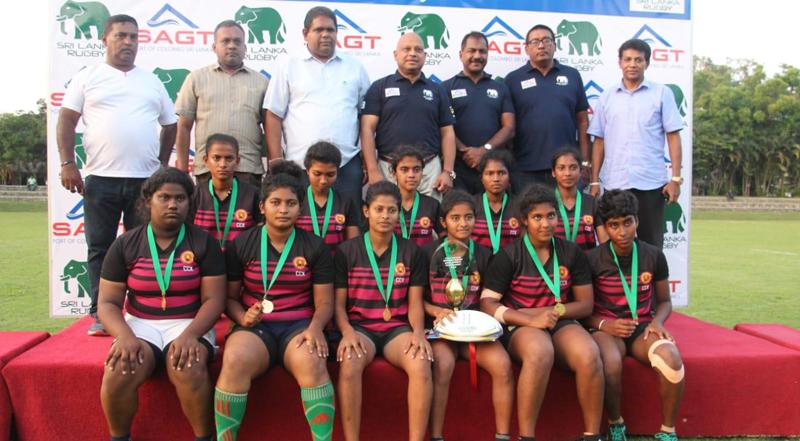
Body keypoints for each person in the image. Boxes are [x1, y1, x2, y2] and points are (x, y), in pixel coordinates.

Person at [57, 14, 178, 336]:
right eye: (121, 35)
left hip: (144, 182)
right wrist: (68, 163)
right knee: (100, 247)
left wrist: (161, 166)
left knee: (145, 248)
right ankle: (100, 313)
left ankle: (143, 311)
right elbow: (66, 120)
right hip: (100, 178)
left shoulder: (151, 80)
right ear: (105, 40)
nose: (128, 42)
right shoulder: (88, 77)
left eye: (133, 37)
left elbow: (171, 124)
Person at [97, 167, 225, 441]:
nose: (172, 204)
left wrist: (191, 335)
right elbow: (107, 302)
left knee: (188, 366)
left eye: (180, 198)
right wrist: (124, 336)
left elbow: (215, 300)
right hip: (140, 324)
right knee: (120, 368)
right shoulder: (126, 244)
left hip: (189, 322)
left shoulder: (204, 242)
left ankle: (205, 438)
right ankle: (119, 438)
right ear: (148, 201)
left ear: (189, 203)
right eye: (164, 197)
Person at [214, 165, 336, 441]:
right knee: (234, 359)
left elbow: (325, 301)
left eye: (291, 203)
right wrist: (242, 316)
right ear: (262, 206)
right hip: (255, 328)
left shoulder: (314, 246)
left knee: (313, 362)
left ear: (300, 208)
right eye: (276, 202)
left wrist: (316, 328)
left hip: (299, 326)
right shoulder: (241, 244)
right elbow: (230, 298)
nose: (283, 209)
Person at [480, 184, 604, 441]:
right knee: (540, 351)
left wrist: (553, 310)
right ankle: (527, 436)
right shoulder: (508, 255)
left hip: (559, 318)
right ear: (524, 220)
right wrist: (528, 318)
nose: (545, 223)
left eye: (551, 216)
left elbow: (585, 304)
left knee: (589, 353)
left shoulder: (571, 252)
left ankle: (593, 435)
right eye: (537, 217)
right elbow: (487, 304)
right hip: (521, 325)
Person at [334, 181, 433, 441]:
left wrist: (419, 333)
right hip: (359, 329)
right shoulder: (347, 251)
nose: (385, 216)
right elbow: (338, 304)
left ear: (399, 213)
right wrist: (346, 332)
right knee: (350, 363)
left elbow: (415, 303)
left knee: (421, 363)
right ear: (366, 211)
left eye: (392, 210)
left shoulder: (412, 251)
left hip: (396, 330)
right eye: (379, 209)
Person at [585, 190, 685, 441]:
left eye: (627, 222)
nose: (622, 231)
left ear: (637, 221)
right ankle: (616, 422)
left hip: (643, 328)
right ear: (605, 227)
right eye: (614, 225)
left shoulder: (653, 255)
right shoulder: (591, 259)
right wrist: (605, 324)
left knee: (671, 358)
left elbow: (663, 301)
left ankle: (668, 432)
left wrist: (657, 321)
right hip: (606, 328)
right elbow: (582, 309)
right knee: (611, 363)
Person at [422, 190, 514, 441]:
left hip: (475, 329)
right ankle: (437, 436)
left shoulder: (484, 255)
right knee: (443, 364)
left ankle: (503, 436)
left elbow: (489, 298)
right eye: (455, 218)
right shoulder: (428, 252)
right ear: (443, 221)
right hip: (442, 329)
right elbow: (416, 298)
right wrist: (435, 311)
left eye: (469, 217)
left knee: (503, 365)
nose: (463, 223)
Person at [588, 39, 684, 249]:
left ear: (647, 63)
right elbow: (599, 141)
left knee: (651, 246)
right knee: (616, 246)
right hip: (616, 184)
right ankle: (620, 283)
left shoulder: (662, 94)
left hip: (650, 183)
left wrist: (675, 178)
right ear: (620, 62)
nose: (633, 64)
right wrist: (594, 181)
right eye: (628, 59)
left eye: (638, 60)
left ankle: (650, 283)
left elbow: (674, 136)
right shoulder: (607, 97)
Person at [263, 6, 370, 196]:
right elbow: (273, 114)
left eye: (330, 30)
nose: (326, 35)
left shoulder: (355, 67)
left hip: (345, 164)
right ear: (305, 34)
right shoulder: (288, 65)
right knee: (301, 220)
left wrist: (367, 160)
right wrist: (276, 160)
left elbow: (366, 117)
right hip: (299, 165)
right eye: (319, 30)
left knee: (348, 222)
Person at [361, 32, 457, 198]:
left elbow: (448, 133)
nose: (412, 53)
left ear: (425, 56)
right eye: (406, 49)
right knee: (388, 221)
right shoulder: (379, 87)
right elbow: (367, 129)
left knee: (429, 222)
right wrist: (372, 170)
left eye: (418, 50)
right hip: (389, 169)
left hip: (429, 171)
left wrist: (448, 172)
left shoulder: (437, 90)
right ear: (395, 55)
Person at [175, 20, 268, 187]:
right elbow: (183, 126)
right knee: (208, 215)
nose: (232, 46)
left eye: (237, 41)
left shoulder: (262, 82)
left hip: (248, 170)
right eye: (225, 41)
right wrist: (182, 168)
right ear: (214, 47)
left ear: (245, 48)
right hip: (207, 170)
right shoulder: (196, 79)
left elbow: (271, 129)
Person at [504, 24, 590, 190]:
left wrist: (585, 161)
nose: (541, 45)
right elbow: (507, 126)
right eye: (535, 42)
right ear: (526, 48)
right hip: (525, 169)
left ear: (555, 45)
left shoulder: (572, 75)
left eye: (546, 40)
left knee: (568, 216)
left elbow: (583, 122)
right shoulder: (513, 80)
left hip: (566, 168)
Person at [442, 32, 515, 194]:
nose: (477, 56)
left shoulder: (500, 87)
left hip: (493, 169)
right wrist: (466, 152)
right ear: (461, 55)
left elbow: (509, 128)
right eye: (471, 51)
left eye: (482, 51)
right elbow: (443, 127)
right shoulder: (446, 88)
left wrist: (484, 150)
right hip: (459, 168)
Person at [190, 134, 260, 252]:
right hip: (204, 263)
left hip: (240, 263)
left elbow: (261, 232)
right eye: (216, 158)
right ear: (206, 161)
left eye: (229, 158)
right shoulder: (195, 195)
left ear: (237, 161)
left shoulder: (252, 195)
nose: (223, 164)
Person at [296, 142, 362, 250]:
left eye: (330, 175)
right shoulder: (296, 200)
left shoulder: (346, 202)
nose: (323, 181)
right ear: (307, 171)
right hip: (302, 264)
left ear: (337, 172)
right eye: (317, 174)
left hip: (335, 264)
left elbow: (353, 245)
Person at [551, 147, 607, 250]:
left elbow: (604, 243)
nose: (567, 173)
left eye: (573, 167)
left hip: (587, 263)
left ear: (580, 171)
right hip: (555, 264)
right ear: (553, 172)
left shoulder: (592, 203)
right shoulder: (546, 203)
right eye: (561, 168)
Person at [391, 145, 443, 247]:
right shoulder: (386, 205)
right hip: (393, 261)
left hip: (424, 261)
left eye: (416, 169)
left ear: (422, 172)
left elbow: (445, 239)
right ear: (394, 173)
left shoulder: (432, 205)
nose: (411, 175)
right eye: (404, 169)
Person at [471, 150, 520, 254]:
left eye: (501, 173)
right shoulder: (470, 205)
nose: (496, 179)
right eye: (490, 173)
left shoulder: (520, 205)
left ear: (509, 176)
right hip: (477, 267)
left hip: (512, 266)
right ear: (481, 178)